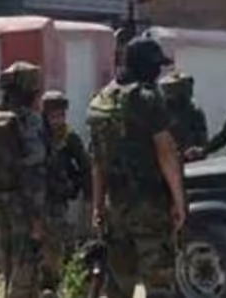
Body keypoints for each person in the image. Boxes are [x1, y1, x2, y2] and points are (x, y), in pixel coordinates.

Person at [87, 37, 187, 298]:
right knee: (159, 281)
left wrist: (97, 205)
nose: (159, 73)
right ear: (147, 66)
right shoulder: (147, 98)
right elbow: (166, 152)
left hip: (115, 206)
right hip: (150, 205)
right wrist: (179, 201)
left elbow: (97, 161)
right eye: (157, 67)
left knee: (118, 284)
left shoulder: (101, 100)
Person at [0, 62, 50, 298]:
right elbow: (34, 169)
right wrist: (37, 218)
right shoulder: (30, 120)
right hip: (24, 202)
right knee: (26, 262)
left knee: (8, 261)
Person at [38, 90, 92, 294]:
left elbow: (85, 168)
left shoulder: (69, 138)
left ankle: (51, 286)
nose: (58, 120)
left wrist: (81, 190)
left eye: (61, 115)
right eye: (53, 115)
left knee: (54, 247)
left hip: (57, 202)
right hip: (35, 201)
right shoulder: (36, 136)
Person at [160, 72, 208, 162]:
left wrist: (199, 151)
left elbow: (201, 137)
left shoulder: (193, 110)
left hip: (191, 157)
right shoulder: (163, 110)